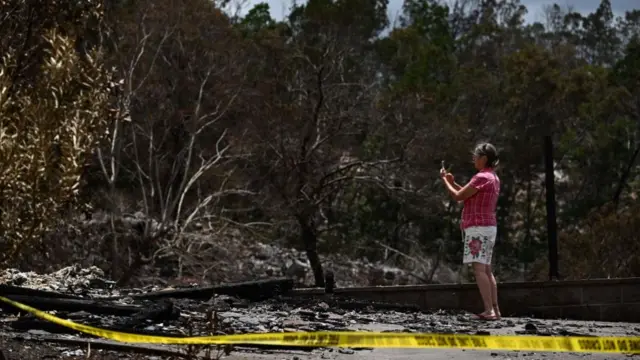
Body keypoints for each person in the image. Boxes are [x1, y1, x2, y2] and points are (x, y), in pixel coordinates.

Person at [440, 142, 501, 320]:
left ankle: (488, 310)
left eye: (475, 156)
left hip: (477, 228)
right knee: (487, 270)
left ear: (483, 158)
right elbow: (468, 195)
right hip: (489, 226)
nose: (473, 159)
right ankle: (495, 310)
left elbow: (458, 196)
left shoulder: (481, 177)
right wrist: (453, 183)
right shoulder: (493, 177)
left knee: (479, 269)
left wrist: (444, 180)